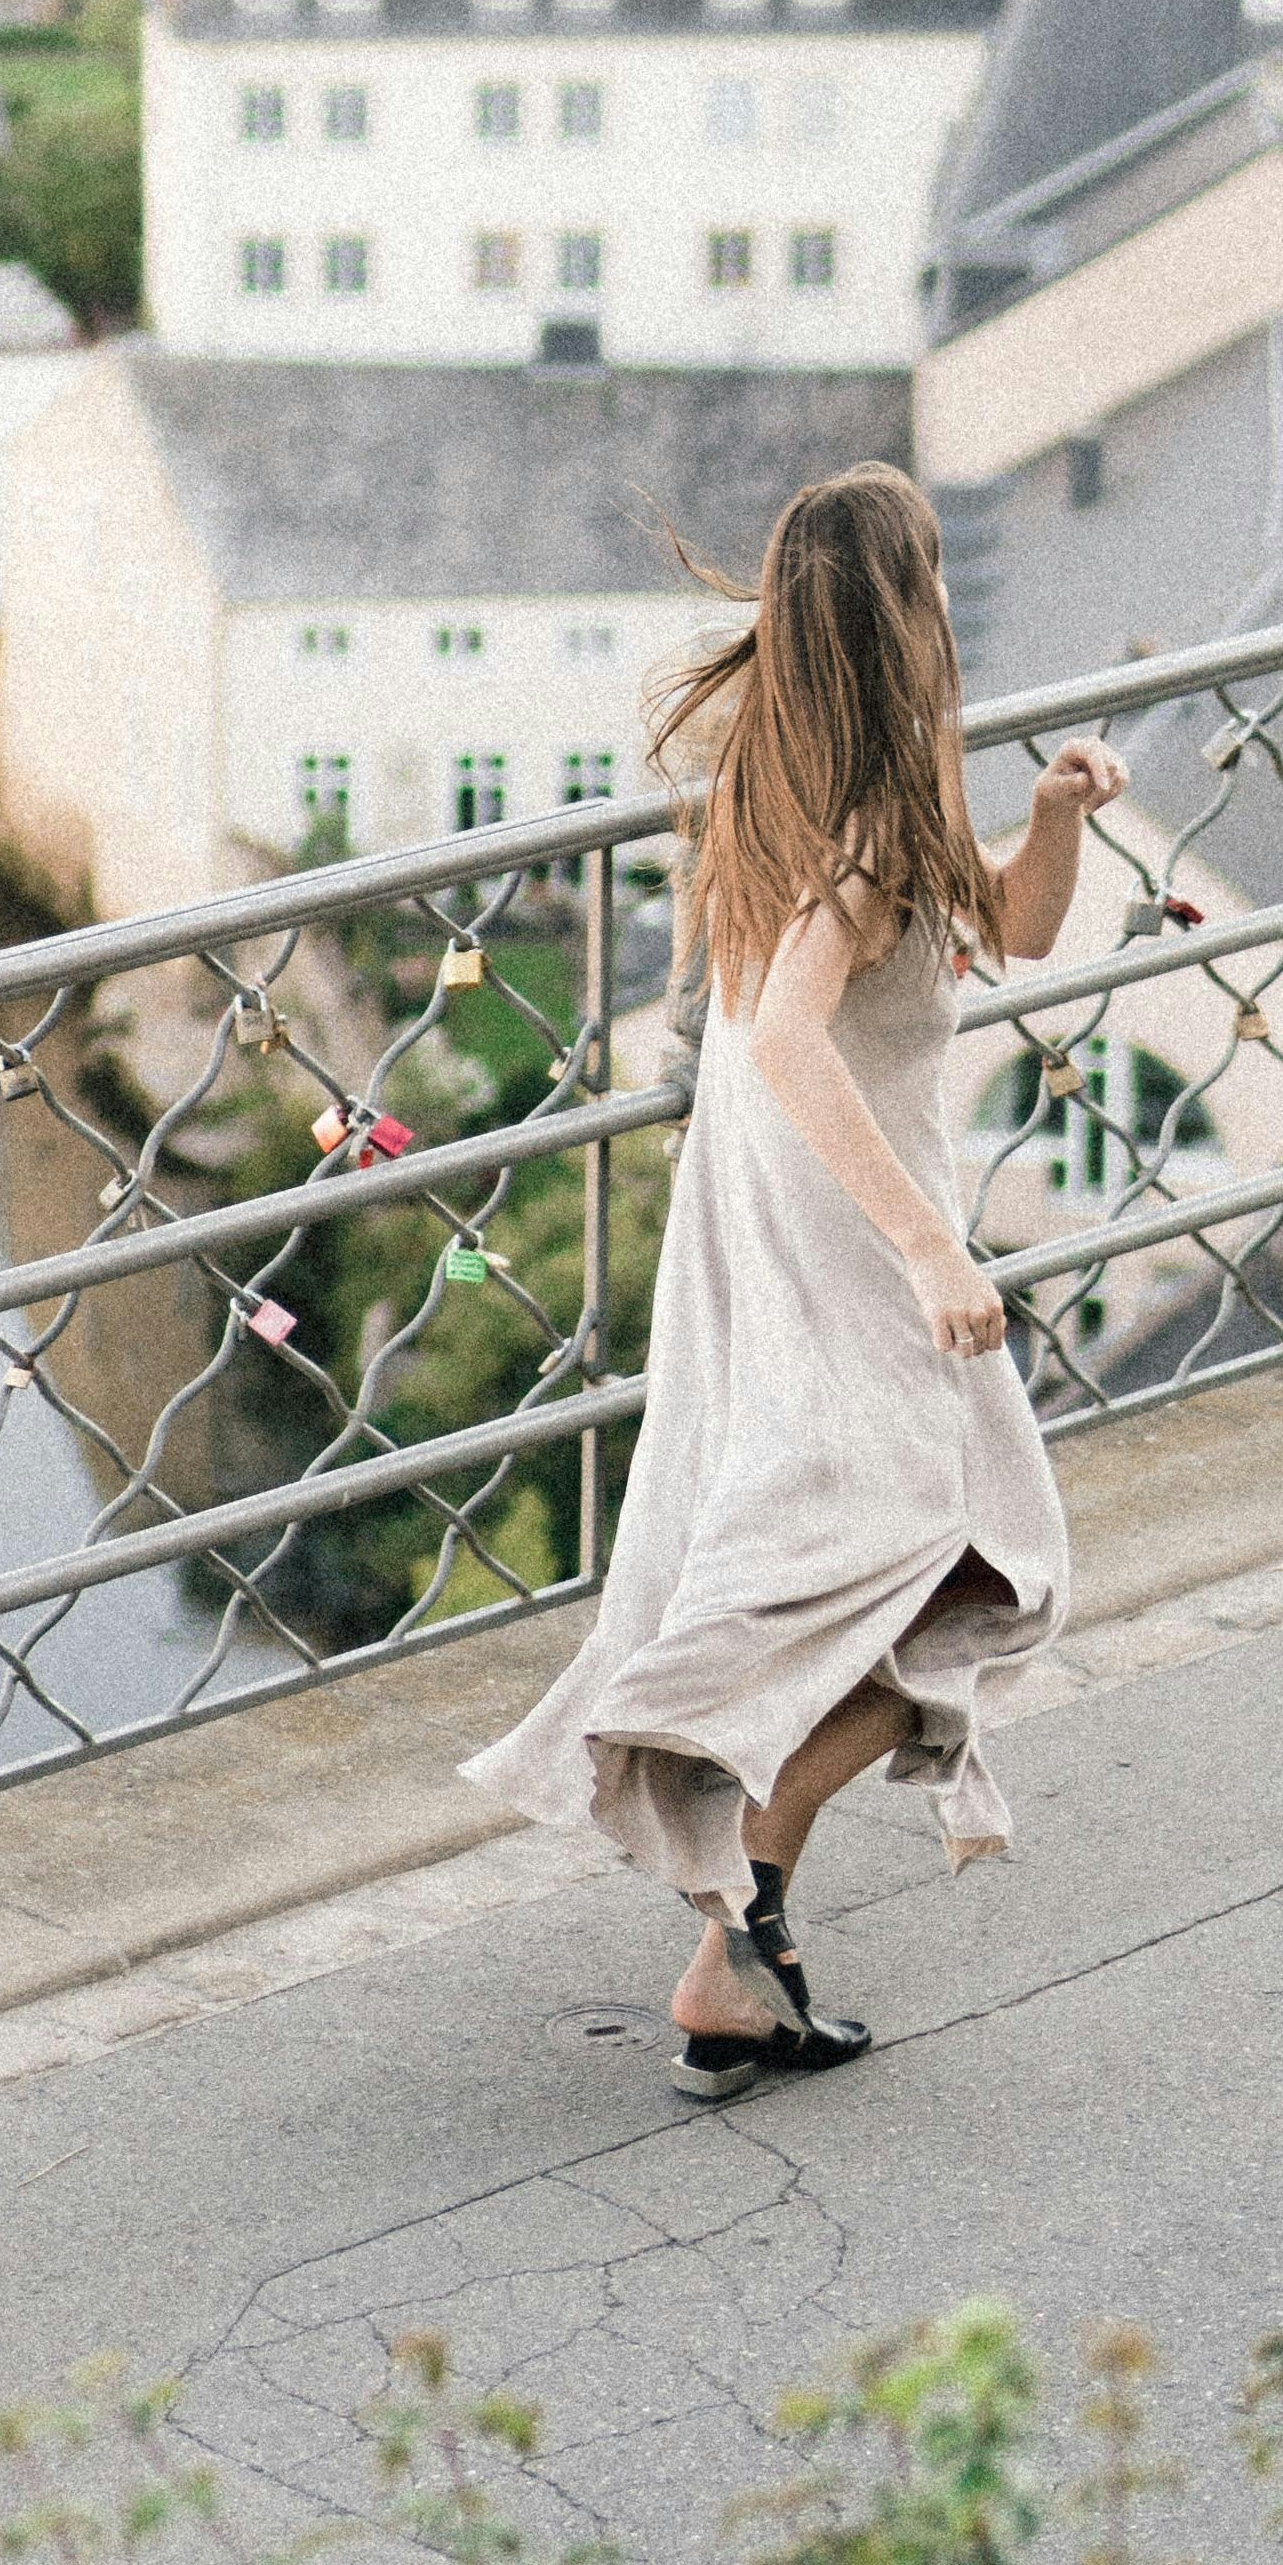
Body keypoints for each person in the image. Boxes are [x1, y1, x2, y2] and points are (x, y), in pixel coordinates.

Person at [467, 462, 1115, 2088]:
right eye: (936, 576)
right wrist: (928, 1242)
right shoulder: (873, 815)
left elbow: (1014, 930)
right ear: (907, 612)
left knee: (887, 1555)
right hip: (841, 1225)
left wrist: (1053, 816)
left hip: (768, 1201)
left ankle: (741, 1945)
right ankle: (735, 1854)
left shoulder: (815, 767)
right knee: (986, 1563)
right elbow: (784, 1033)